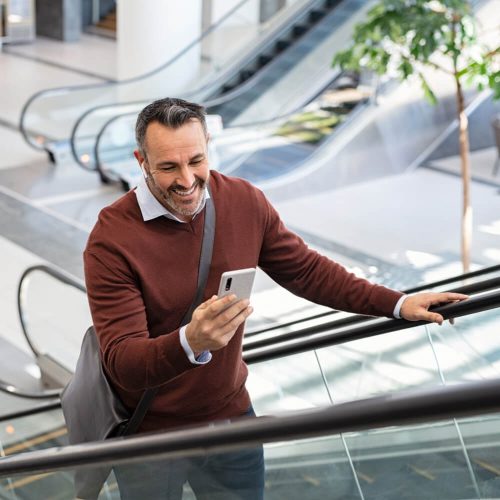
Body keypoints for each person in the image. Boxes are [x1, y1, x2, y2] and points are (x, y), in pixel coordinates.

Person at [83, 97, 468, 499]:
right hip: (152, 437)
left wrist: (395, 303)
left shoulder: (244, 202)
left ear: (209, 145)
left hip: (232, 418)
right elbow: (123, 362)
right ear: (141, 161)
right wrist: (190, 342)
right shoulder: (111, 240)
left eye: (196, 160)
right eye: (168, 167)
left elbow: (306, 270)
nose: (186, 179)